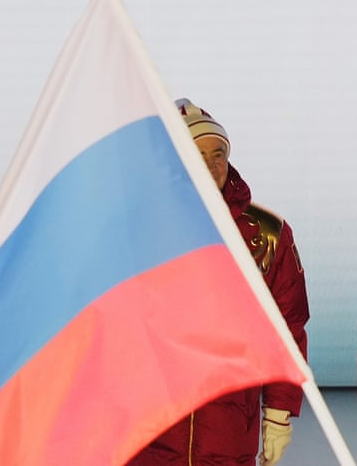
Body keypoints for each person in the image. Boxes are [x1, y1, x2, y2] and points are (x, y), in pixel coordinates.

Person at [128, 99, 310, 466]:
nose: (212, 167)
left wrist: (278, 410)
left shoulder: (266, 236)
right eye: (197, 155)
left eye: (219, 154)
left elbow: (287, 328)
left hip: (228, 429)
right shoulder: (133, 231)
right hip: (148, 428)